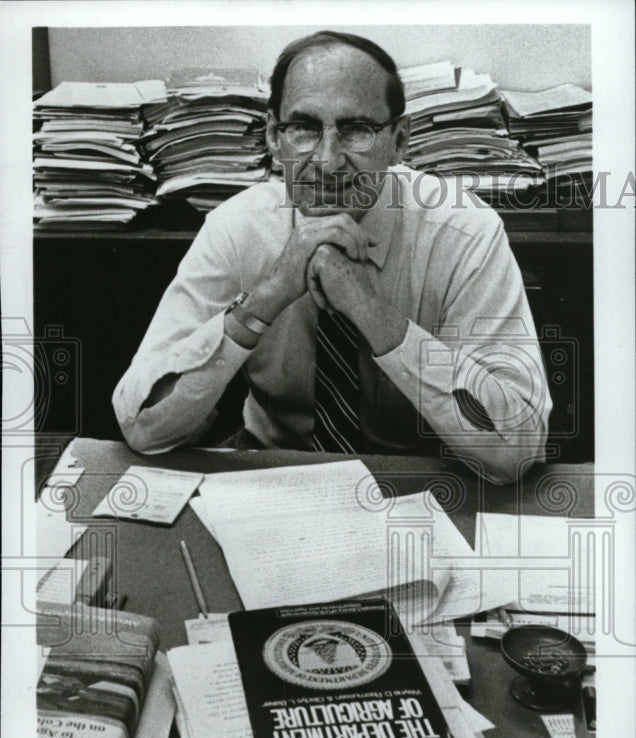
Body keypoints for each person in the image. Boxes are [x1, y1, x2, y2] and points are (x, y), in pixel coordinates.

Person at [113, 30, 551, 484]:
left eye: (356, 129)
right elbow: (142, 426)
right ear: (273, 137)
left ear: (400, 141)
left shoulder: (463, 233)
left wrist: (370, 312)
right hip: (274, 474)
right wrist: (266, 296)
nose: (326, 160)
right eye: (303, 128)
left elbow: (517, 448)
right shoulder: (237, 227)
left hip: (421, 485)